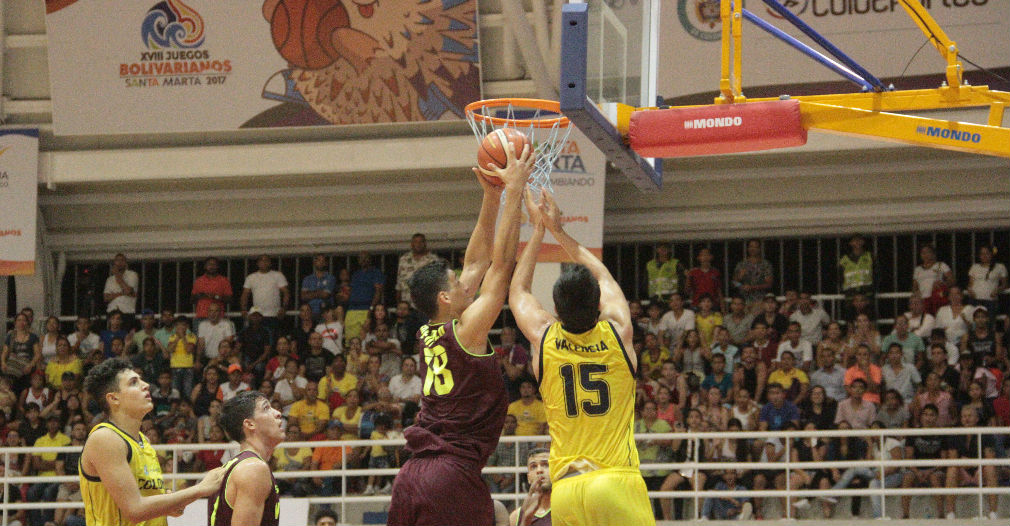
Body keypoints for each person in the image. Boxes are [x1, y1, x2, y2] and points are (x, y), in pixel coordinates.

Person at [387, 141, 530, 526]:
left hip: (413, 476)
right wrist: (514, 191)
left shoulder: (430, 329)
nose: (468, 282)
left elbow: (478, 259)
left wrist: (490, 195)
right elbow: (499, 267)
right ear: (446, 297)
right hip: (449, 476)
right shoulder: (467, 331)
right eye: (459, 282)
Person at [509, 189, 653, 526]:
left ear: (556, 309)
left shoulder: (544, 337)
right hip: (615, 479)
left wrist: (538, 231)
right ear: (598, 305)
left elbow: (518, 292)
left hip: (567, 490)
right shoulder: (618, 330)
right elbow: (603, 276)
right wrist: (560, 230)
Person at [79, 358, 225, 525]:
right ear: (114, 399)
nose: (146, 385)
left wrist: (170, 502)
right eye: (134, 382)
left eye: (141, 379)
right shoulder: (105, 438)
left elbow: (148, 501)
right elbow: (134, 510)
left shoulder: (144, 441)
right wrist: (200, 489)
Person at [209, 390, 285, 526]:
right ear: (250, 424)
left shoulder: (236, 466)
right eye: (266, 408)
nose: (278, 413)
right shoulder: (253, 469)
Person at [240, 256, 290, 335]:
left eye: (266, 260)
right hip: (257, 316)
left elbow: (286, 293)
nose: (264, 262)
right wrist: (243, 309)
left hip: (274, 315)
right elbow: (245, 295)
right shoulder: (251, 277)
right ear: (257, 263)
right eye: (261, 260)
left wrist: (284, 308)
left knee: (273, 339)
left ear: (270, 263)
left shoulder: (278, 275)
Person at [345, 252, 386, 347]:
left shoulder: (376, 273)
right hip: (352, 310)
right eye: (360, 258)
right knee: (350, 341)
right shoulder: (355, 274)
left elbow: (378, 291)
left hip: (366, 309)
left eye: (365, 258)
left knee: (364, 340)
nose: (363, 260)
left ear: (370, 259)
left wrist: (371, 308)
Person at [396, 233, 443, 307]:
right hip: (407, 305)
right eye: (416, 242)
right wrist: (398, 303)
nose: (418, 244)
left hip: (426, 305)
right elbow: (399, 284)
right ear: (412, 244)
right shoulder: (404, 259)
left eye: (421, 242)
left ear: (425, 244)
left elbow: (438, 283)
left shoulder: (433, 260)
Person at [510, 449, 553, 526]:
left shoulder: (566, 509)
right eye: (533, 467)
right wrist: (526, 518)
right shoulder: (516, 516)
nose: (539, 470)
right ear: (528, 478)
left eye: (546, 465)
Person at [912, 244, 953, 315]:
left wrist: (942, 284)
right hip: (923, 301)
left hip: (937, 299)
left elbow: (952, 280)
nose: (925, 255)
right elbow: (914, 286)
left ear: (933, 254)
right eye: (923, 253)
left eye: (928, 252)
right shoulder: (918, 269)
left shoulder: (940, 265)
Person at [966, 245, 1007, 315]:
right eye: (982, 254)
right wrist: (970, 290)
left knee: (988, 322)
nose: (984, 256)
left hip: (990, 301)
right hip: (975, 300)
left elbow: (1005, 284)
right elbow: (970, 283)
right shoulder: (974, 267)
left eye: (987, 253)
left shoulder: (1000, 267)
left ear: (991, 254)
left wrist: (997, 290)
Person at [733, 240, 773, 311]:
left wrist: (752, 287)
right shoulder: (741, 264)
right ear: (748, 248)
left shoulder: (765, 265)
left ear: (760, 249)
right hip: (744, 301)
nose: (753, 249)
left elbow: (769, 284)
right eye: (751, 246)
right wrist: (740, 280)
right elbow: (734, 283)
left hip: (760, 301)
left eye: (756, 247)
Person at [192, 257, 234, 322]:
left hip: (218, 317)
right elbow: (192, 299)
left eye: (214, 265)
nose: (211, 267)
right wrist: (200, 295)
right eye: (209, 264)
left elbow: (229, 299)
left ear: (218, 267)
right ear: (205, 266)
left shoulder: (224, 280)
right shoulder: (199, 280)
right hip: (201, 317)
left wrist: (215, 297)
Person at [104, 253, 140, 322]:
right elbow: (106, 298)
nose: (119, 263)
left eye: (122, 260)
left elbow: (129, 291)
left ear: (126, 263)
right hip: (112, 311)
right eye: (117, 260)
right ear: (114, 262)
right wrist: (121, 293)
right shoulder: (110, 279)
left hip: (127, 312)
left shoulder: (132, 275)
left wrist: (117, 276)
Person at [301, 254, 337, 319]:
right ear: (314, 263)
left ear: (326, 263)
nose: (321, 262)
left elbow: (325, 295)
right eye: (318, 260)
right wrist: (320, 292)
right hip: (310, 313)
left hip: (326, 313)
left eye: (323, 261)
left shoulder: (331, 278)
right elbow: (303, 296)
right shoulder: (307, 279)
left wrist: (310, 293)